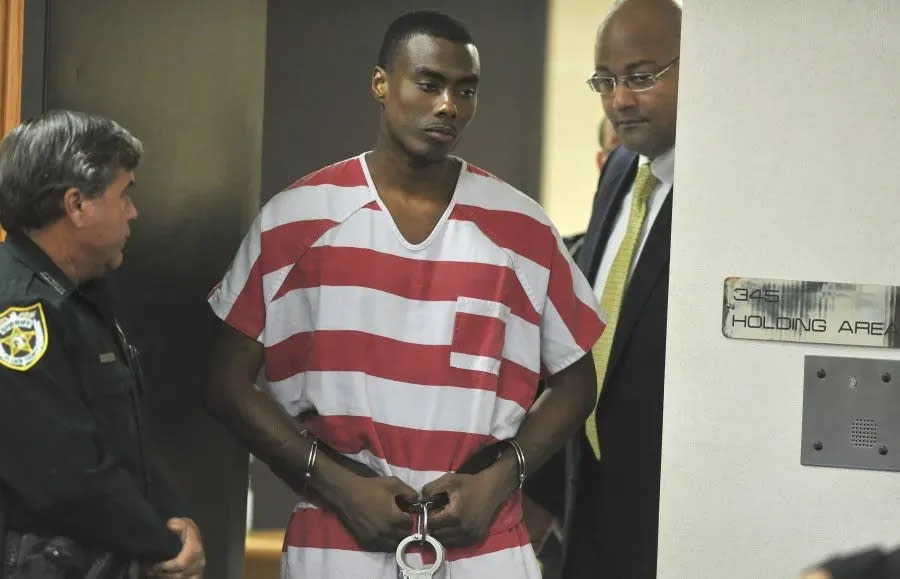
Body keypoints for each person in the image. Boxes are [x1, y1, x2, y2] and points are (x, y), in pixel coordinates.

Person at [205, 10, 603, 579]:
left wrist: (499, 480)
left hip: (486, 548)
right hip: (335, 547)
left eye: (465, 90)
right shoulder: (296, 220)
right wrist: (336, 484)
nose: (448, 105)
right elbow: (224, 384)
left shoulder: (523, 230)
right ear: (381, 84)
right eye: (429, 83)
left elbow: (576, 382)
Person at [0, 110, 205, 579]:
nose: (133, 211)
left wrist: (177, 520)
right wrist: (163, 546)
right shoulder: (19, 310)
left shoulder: (80, 300)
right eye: (124, 194)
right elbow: (65, 476)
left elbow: (121, 444)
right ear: (76, 205)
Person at [559, 1, 681, 577]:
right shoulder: (620, 169)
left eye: (641, 77)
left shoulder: (733, 192)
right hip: (588, 515)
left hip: (670, 522)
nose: (620, 100)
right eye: (605, 82)